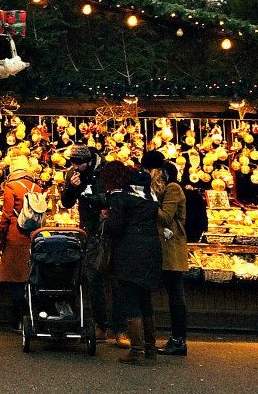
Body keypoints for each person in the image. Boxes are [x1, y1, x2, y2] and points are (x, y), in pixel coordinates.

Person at [60, 144, 117, 342]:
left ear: (90, 160)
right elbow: (66, 203)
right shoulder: (73, 174)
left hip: (111, 231)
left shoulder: (108, 170)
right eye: (72, 163)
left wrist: (95, 200)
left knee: (116, 280)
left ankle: (119, 330)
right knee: (93, 279)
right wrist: (72, 188)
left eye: (79, 163)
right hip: (89, 232)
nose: (75, 167)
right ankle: (100, 326)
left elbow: (116, 198)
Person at [106, 166, 162, 364]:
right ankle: (150, 348)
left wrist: (106, 219)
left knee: (130, 299)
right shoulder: (151, 196)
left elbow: (116, 226)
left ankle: (136, 350)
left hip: (130, 252)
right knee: (145, 299)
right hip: (151, 251)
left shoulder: (121, 197)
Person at [143, 150, 188, 355]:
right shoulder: (161, 189)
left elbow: (165, 217)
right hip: (159, 248)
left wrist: (149, 200)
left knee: (176, 295)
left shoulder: (173, 188)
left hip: (171, 248)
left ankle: (179, 340)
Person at [0, 154, 42, 333]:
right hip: (33, 236)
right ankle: (33, 317)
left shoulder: (11, 186)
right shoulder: (37, 187)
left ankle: (19, 320)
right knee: (29, 277)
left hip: (15, 236)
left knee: (16, 280)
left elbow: (6, 215)